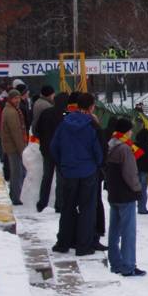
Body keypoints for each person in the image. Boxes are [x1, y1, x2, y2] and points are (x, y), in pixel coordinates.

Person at [50, 93, 103, 255]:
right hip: (88, 171)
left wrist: (62, 163)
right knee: (87, 209)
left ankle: (63, 242)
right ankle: (83, 246)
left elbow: (54, 146)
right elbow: (98, 150)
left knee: (68, 207)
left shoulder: (64, 123)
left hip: (69, 171)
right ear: (91, 107)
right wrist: (97, 164)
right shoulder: (92, 125)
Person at [105, 118, 146, 276]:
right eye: (130, 130)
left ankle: (115, 263)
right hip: (125, 195)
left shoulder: (110, 144)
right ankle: (128, 265)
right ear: (126, 131)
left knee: (114, 230)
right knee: (128, 231)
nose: (131, 132)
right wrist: (137, 189)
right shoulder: (125, 149)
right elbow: (130, 173)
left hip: (114, 193)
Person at [35, 92, 68, 212]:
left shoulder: (46, 113)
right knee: (61, 179)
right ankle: (59, 204)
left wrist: (44, 142)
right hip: (61, 152)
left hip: (47, 150)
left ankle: (42, 203)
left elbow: (36, 130)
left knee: (47, 177)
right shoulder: (66, 114)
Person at [0, 89, 27, 205]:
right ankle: (16, 197)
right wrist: (22, 150)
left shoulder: (10, 109)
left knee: (16, 172)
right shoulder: (12, 112)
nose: (18, 100)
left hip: (11, 146)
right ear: (11, 99)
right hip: (14, 147)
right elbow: (16, 132)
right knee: (17, 173)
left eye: (18, 98)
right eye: (15, 98)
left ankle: (14, 195)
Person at [134, 128, 148, 214]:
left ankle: (134, 204)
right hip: (145, 171)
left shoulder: (134, 145)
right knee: (143, 189)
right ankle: (142, 207)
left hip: (135, 169)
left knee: (134, 187)